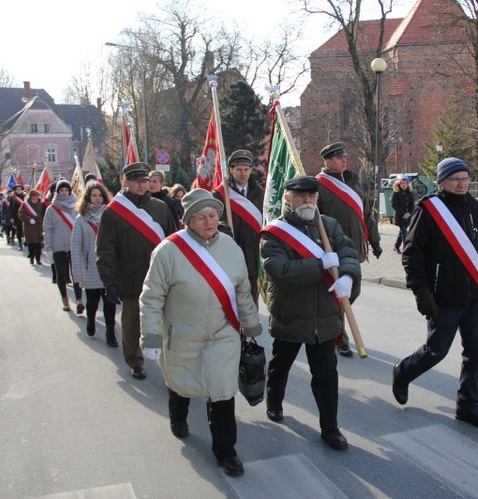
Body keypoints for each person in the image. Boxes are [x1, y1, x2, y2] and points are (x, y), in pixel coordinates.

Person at [140, 189, 261, 477]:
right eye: (202, 217)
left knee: (222, 392)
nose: (209, 222)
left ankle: (226, 451)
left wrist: (251, 325)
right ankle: (178, 417)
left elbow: (243, 290)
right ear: (188, 221)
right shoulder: (168, 251)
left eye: (213, 216)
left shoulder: (230, 247)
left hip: (223, 334)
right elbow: (152, 298)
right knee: (181, 384)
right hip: (182, 334)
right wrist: (152, 337)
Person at [392, 157, 478, 430]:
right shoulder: (428, 210)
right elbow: (412, 255)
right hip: (443, 297)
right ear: (442, 182)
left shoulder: (474, 207)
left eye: (465, 178)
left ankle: (468, 406)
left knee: (476, 353)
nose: (462, 184)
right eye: (456, 179)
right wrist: (421, 293)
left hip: (473, 296)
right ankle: (403, 372)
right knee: (435, 351)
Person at [260, 175, 362, 451]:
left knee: (326, 375)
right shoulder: (274, 232)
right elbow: (280, 272)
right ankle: (274, 401)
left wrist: (349, 276)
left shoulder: (329, 226)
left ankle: (331, 428)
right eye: (300, 196)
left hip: (325, 318)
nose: (307, 200)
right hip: (291, 314)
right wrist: (320, 265)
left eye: (311, 196)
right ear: (287, 199)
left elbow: (349, 253)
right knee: (281, 366)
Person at [96, 162, 176, 381]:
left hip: (161, 276)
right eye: (137, 181)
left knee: (167, 320)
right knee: (132, 323)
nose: (142, 185)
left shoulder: (160, 207)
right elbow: (105, 249)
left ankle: (169, 359)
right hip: (130, 277)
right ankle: (135, 360)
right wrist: (109, 281)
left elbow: (173, 239)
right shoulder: (114, 212)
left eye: (145, 181)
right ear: (127, 182)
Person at [316, 142, 381, 357]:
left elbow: (366, 215)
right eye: (338, 158)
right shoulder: (319, 185)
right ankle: (340, 337)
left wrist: (375, 241)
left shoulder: (353, 181)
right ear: (327, 161)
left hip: (355, 248)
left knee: (353, 290)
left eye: (344, 156)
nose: (344, 160)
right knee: (340, 294)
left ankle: (333, 321)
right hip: (333, 250)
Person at [212, 149, 264, 306]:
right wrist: (226, 231)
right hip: (231, 250)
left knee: (251, 295)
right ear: (231, 170)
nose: (243, 173)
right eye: (239, 169)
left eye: (246, 169)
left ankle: (249, 329)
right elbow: (215, 220)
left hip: (254, 251)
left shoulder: (260, 193)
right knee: (230, 298)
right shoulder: (220, 195)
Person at [72, 181, 118, 347]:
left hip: (109, 267)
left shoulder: (111, 216)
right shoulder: (81, 220)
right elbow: (76, 247)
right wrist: (77, 273)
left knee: (110, 302)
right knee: (92, 302)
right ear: (88, 198)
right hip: (90, 267)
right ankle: (91, 320)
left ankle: (110, 333)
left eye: (100, 195)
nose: (97, 199)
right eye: (94, 195)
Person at [44, 179, 83, 313]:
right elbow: (48, 230)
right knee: (61, 274)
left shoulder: (77, 207)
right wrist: (48, 248)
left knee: (76, 273)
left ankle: (79, 300)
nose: (65, 193)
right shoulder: (51, 209)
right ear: (57, 192)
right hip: (58, 246)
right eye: (62, 190)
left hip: (75, 246)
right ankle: (65, 299)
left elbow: (81, 226)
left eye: (67, 190)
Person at [18, 189, 45, 265]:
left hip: (39, 227)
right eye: (33, 196)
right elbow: (21, 214)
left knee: (39, 244)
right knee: (31, 244)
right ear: (30, 197)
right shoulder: (25, 205)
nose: (35, 198)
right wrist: (29, 219)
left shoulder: (41, 204)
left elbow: (44, 214)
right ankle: (32, 258)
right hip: (29, 227)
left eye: (36, 196)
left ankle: (38, 259)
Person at [391, 176, 415, 254]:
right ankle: (406, 249)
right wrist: (403, 213)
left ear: (408, 184)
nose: (404, 185)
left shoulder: (410, 193)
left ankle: (396, 246)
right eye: (402, 183)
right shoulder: (396, 193)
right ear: (399, 184)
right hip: (400, 217)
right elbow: (394, 205)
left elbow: (412, 204)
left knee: (402, 233)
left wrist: (409, 213)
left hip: (408, 217)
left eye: (405, 183)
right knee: (405, 233)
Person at [10, 184, 26, 250]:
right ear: (15, 190)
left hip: (25, 216)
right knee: (19, 230)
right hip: (17, 216)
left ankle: (25, 241)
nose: (19, 190)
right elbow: (11, 208)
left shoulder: (25, 197)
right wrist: (11, 217)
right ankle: (20, 244)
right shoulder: (13, 198)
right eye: (17, 189)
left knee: (25, 230)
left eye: (20, 189)